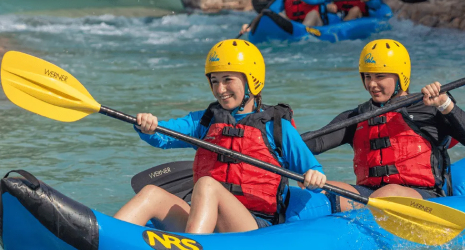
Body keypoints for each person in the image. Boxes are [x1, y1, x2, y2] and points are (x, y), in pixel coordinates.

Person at [115, 39, 327, 234]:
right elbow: (162, 136)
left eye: (227, 80)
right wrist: (148, 126)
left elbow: (313, 170)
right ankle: (105, 239)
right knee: (151, 193)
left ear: (251, 80)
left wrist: (314, 177)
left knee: (207, 185)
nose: (220, 89)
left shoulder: (277, 127)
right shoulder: (205, 121)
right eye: (214, 81)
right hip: (205, 217)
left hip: (253, 226)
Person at [303, 39, 465, 212]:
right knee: (318, 188)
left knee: (388, 193)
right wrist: (285, 138)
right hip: (369, 194)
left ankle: (359, 215)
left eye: (380, 76)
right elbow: (316, 142)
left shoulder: (429, 108)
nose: (372, 84)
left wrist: (445, 104)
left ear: (400, 77)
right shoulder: (358, 116)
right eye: (367, 76)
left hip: (424, 196)